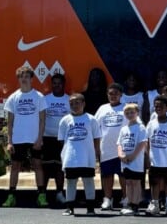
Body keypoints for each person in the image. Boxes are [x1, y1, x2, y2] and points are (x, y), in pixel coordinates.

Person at [1, 65, 47, 207]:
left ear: (31, 78)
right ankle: (11, 196)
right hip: (18, 138)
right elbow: (10, 121)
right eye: (21, 77)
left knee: (37, 165)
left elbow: (42, 120)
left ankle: (41, 196)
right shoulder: (13, 98)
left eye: (26, 76)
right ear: (18, 79)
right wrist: (9, 141)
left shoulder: (38, 96)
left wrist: (39, 138)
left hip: (34, 138)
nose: (24, 79)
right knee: (15, 166)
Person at [58, 93, 101, 216]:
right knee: (71, 182)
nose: (74, 105)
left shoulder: (92, 119)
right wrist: (66, 154)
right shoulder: (64, 120)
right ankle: (70, 208)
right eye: (71, 103)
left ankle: (90, 209)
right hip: (70, 158)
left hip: (87, 157)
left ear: (83, 104)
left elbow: (96, 138)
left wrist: (96, 155)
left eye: (77, 102)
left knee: (88, 181)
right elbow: (62, 140)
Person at [93, 83, 127, 211]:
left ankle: (126, 198)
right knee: (107, 175)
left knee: (123, 175)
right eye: (110, 94)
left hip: (122, 148)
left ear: (121, 95)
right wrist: (96, 147)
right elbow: (95, 128)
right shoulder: (102, 108)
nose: (113, 96)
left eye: (116, 94)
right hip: (105, 148)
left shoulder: (126, 108)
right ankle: (107, 199)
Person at [145, 95, 167, 216]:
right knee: (154, 182)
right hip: (155, 159)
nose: (158, 108)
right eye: (156, 106)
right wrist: (147, 158)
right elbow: (148, 142)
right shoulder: (151, 123)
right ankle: (155, 204)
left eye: (161, 106)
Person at [41, 72, 70, 207]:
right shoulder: (45, 99)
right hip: (47, 137)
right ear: (51, 85)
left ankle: (59, 193)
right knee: (46, 167)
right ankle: (43, 194)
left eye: (59, 83)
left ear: (63, 84)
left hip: (62, 139)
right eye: (54, 83)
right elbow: (40, 119)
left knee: (60, 167)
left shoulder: (69, 100)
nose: (57, 85)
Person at [117, 103, 148, 215]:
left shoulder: (140, 127)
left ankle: (135, 205)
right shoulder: (124, 129)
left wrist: (133, 156)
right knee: (128, 182)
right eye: (127, 113)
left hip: (136, 161)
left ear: (137, 113)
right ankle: (129, 203)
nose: (129, 114)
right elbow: (119, 143)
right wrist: (121, 155)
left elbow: (142, 143)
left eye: (132, 112)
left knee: (136, 182)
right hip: (125, 161)